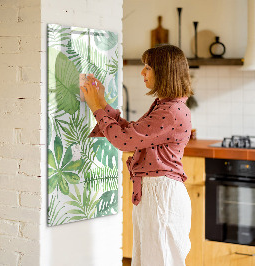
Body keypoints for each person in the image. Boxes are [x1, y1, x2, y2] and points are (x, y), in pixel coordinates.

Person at [81, 44, 193, 266]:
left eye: (148, 67)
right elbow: (131, 133)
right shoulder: (166, 106)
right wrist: (102, 103)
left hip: (161, 196)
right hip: (156, 194)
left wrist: (96, 108)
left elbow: (124, 141)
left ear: (164, 72)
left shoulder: (170, 111)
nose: (142, 72)